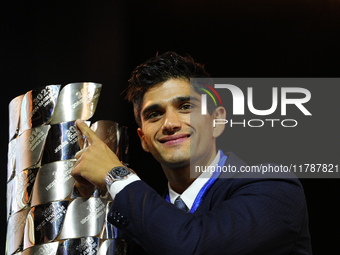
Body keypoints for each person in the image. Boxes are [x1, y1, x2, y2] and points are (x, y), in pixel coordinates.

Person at [72, 52, 312, 254]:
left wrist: (117, 177)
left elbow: (193, 245)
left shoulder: (273, 186)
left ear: (217, 121)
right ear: (143, 139)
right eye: (154, 114)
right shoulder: (136, 222)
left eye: (186, 107)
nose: (170, 123)